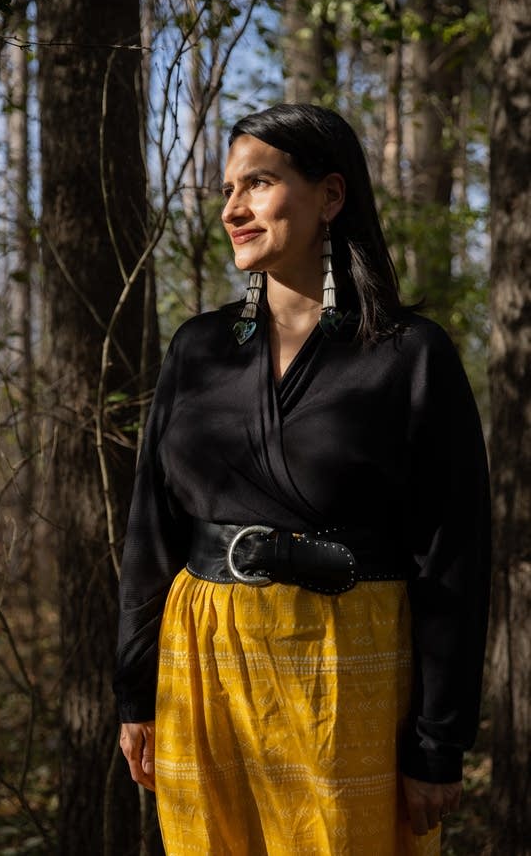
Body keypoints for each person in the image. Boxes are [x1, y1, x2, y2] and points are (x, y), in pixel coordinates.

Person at [114, 104, 491, 855]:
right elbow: (152, 531)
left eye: (258, 183)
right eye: (226, 189)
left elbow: (453, 558)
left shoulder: (410, 354)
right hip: (202, 666)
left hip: (346, 669)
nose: (232, 209)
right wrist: (135, 691)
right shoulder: (198, 348)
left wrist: (438, 741)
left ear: (330, 196)